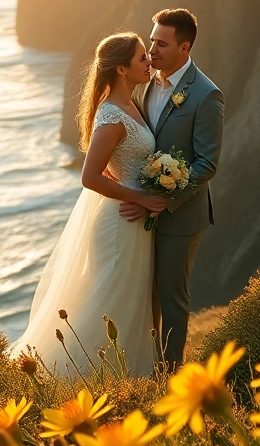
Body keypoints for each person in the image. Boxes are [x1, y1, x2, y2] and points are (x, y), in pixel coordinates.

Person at [15, 31, 166, 377]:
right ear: (122, 70)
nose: (149, 62)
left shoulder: (132, 102)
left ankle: (130, 379)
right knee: (112, 301)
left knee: (128, 302)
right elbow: (90, 177)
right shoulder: (113, 115)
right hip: (118, 222)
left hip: (132, 219)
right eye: (142, 57)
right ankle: (71, 376)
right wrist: (141, 197)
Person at [121, 8, 224, 371]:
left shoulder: (206, 96)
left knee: (172, 300)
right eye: (151, 41)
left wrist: (164, 201)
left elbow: (206, 164)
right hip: (144, 208)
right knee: (143, 295)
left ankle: (170, 377)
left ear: (185, 46)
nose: (152, 50)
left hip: (181, 215)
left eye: (161, 44)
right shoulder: (146, 81)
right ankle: (145, 367)